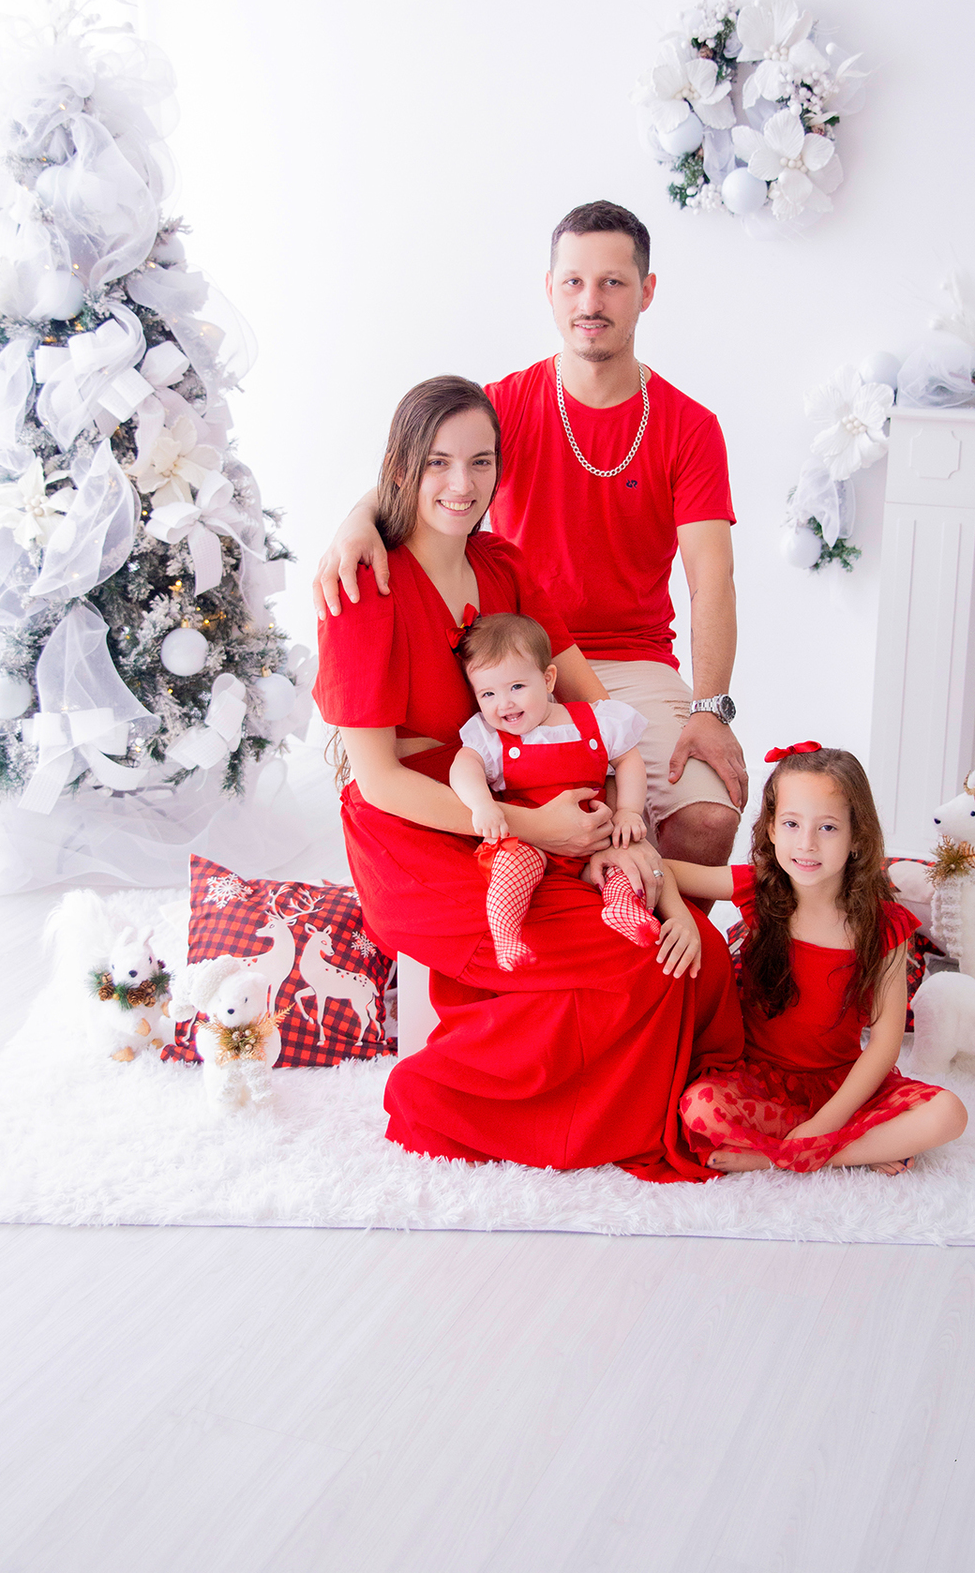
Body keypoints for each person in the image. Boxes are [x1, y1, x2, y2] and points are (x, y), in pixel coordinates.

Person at [313, 374, 747, 1182]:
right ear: (400, 469)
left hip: (529, 803)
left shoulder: (502, 567)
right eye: (438, 462)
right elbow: (378, 783)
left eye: (481, 462)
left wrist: (628, 834)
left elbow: (591, 702)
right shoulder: (363, 588)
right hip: (427, 837)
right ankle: (445, 1095)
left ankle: (701, 1094)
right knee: (637, 961)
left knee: (700, 956)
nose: (461, 484)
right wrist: (536, 829)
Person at [313, 199, 746, 875]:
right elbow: (434, 467)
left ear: (647, 292)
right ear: (550, 290)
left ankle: (659, 948)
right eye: (573, 281)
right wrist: (356, 518)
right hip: (510, 661)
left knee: (707, 821)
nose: (590, 300)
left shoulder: (689, 426)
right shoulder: (507, 405)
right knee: (565, 823)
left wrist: (712, 708)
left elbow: (711, 580)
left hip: (632, 663)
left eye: (613, 282)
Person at [667, 744, 968, 1175]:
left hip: (844, 1087)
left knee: (949, 1114)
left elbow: (884, 1043)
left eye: (827, 828)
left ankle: (790, 1156)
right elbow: (661, 869)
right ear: (770, 828)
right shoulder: (759, 888)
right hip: (759, 1080)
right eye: (791, 824)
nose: (806, 844)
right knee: (700, 1110)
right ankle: (858, 1148)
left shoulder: (884, 925)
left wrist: (825, 1124)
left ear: (856, 836)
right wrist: (679, 912)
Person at [449, 610, 660, 971]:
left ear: (547, 680)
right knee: (510, 864)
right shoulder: (491, 738)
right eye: (488, 693)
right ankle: (507, 935)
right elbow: (463, 767)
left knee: (621, 865)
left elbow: (629, 760)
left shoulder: (594, 719)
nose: (505, 704)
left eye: (517, 687)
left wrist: (628, 810)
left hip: (594, 840)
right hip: (533, 843)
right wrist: (482, 805)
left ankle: (623, 909)